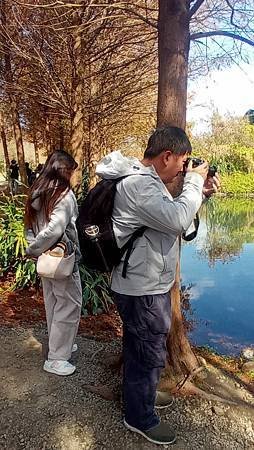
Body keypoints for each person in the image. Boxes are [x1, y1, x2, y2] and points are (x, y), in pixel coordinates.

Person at [96, 126, 220, 445]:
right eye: (183, 162)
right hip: (142, 287)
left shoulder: (148, 182)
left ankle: (142, 395)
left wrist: (199, 195)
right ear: (167, 156)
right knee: (149, 351)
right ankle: (140, 417)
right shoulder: (139, 185)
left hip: (143, 282)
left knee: (141, 346)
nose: (184, 168)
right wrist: (193, 182)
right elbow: (177, 220)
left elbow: (171, 219)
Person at [24, 150, 82, 376]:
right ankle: (57, 358)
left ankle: (60, 343)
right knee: (69, 304)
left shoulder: (37, 190)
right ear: (65, 170)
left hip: (45, 260)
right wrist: (37, 247)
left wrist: (34, 249)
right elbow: (56, 229)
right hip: (61, 259)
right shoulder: (62, 194)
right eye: (71, 171)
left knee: (53, 302)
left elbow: (30, 227)